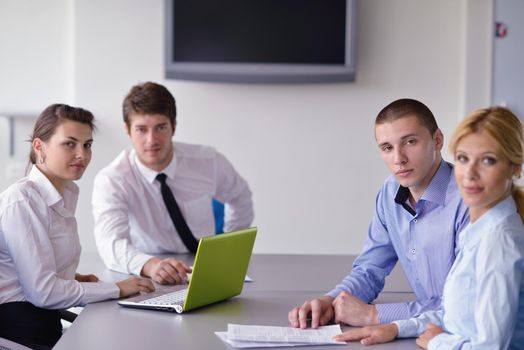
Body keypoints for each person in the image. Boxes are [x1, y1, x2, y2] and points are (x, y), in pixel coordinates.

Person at [334, 106, 524, 349]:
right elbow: (457, 314)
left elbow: (490, 347)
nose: (469, 174)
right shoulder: (482, 228)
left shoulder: (498, 241)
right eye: (463, 159)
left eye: (487, 160)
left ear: (515, 168)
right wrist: (395, 327)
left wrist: (438, 342)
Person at [288, 99, 469, 328]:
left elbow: (466, 306)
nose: (398, 159)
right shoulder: (389, 192)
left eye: (410, 142)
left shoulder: (469, 202)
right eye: (387, 147)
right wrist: (331, 301)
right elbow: (369, 270)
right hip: (427, 334)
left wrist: (374, 316)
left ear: (437, 140)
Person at [0, 104, 154, 349]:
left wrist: (71, 277)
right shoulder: (22, 200)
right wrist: (115, 289)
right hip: (20, 327)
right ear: (39, 147)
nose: (82, 154)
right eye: (69, 144)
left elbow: (34, 266)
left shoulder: (67, 192)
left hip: (43, 319)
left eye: (87, 145)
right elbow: (43, 292)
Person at [92, 82, 254, 285]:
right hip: (148, 273)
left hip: (205, 270)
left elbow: (240, 197)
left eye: (160, 128)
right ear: (127, 130)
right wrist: (150, 265)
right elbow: (110, 242)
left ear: (173, 126)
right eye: (141, 129)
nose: (151, 140)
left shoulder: (208, 161)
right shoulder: (112, 180)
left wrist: (226, 250)